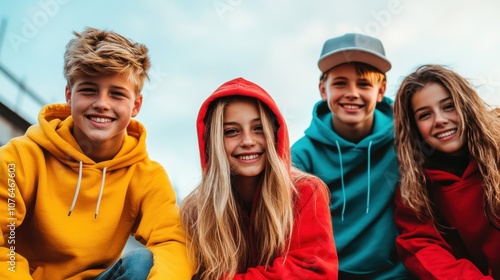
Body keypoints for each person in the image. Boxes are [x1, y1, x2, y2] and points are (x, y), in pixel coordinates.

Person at [0, 27, 193, 279]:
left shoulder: (147, 176)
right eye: (89, 90)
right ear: (69, 96)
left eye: (117, 94)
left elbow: (172, 241)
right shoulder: (19, 158)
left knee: (142, 263)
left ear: (136, 105)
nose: (102, 103)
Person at [180, 77, 338, 280]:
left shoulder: (305, 192)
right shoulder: (196, 211)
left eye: (259, 128)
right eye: (231, 131)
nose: (247, 141)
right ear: (213, 142)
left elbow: (311, 272)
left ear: (275, 134)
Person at [291, 33, 411, 279]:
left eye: (364, 84)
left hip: (397, 274)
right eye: (340, 83)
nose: (352, 93)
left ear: (381, 91)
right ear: (323, 90)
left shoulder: (405, 142)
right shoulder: (301, 156)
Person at [393, 64, 500, 279]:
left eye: (449, 106)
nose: (440, 120)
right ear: (415, 129)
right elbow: (424, 250)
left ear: (467, 107)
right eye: (425, 115)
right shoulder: (414, 192)